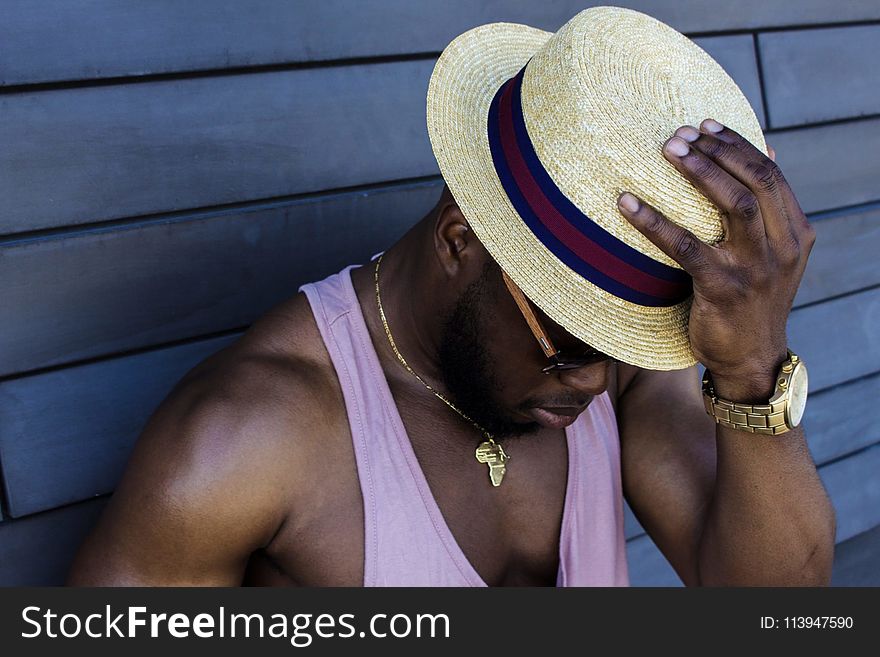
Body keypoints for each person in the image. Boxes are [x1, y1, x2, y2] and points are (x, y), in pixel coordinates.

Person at [68, 8, 834, 587]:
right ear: (461, 238)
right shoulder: (243, 442)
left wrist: (753, 370)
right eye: (573, 343)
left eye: (626, 341)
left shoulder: (615, 365)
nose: (599, 381)